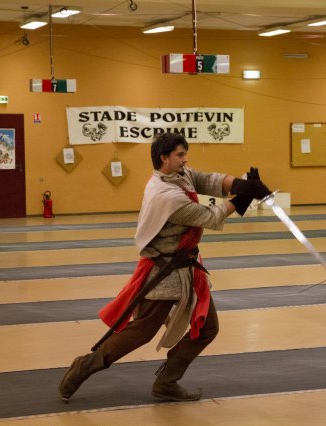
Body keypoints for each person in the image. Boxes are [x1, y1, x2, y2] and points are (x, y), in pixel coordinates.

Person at [58, 132, 271, 403]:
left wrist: (241, 184)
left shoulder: (178, 175)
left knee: (207, 328)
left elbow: (208, 180)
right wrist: (243, 197)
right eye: (180, 155)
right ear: (164, 158)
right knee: (142, 332)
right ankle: (84, 367)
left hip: (188, 267)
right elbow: (209, 216)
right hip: (165, 271)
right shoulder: (166, 195)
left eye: (185, 154)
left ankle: (167, 382)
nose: (185, 160)